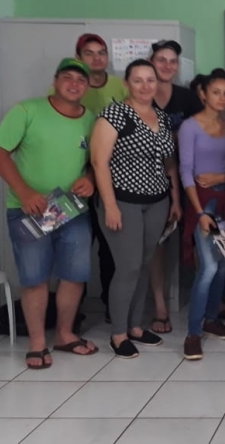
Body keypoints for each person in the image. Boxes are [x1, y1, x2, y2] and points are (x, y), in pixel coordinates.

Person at [0, 58, 99, 369]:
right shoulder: (27, 111)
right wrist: (25, 192)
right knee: (34, 277)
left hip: (72, 210)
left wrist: (90, 179)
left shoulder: (90, 120)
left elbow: (95, 162)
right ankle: (38, 343)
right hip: (30, 209)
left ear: (87, 86)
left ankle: (65, 334)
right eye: (67, 77)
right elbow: (0, 151)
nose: (74, 84)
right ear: (55, 81)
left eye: (80, 80)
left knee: (74, 275)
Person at [91, 59, 181, 359]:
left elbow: (169, 162)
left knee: (144, 263)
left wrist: (175, 200)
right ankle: (118, 334)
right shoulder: (114, 115)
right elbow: (99, 162)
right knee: (128, 266)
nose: (145, 86)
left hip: (157, 201)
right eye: (138, 80)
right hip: (122, 201)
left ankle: (135, 327)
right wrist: (110, 205)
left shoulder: (162, 117)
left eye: (150, 80)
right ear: (127, 84)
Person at [179, 69, 225, 360]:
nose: (221, 98)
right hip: (202, 203)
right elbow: (185, 171)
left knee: (222, 263)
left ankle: (211, 318)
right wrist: (198, 213)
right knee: (207, 267)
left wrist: (222, 178)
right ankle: (193, 334)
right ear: (203, 94)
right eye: (216, 92)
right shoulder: (189, 127)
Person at [148, 39, 202, 334]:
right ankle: (160, 305)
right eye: (161, 60)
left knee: (197, 239)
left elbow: (199, 135)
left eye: (172, 61)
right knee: (157, 244)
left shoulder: (187, 98)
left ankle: (205, 302)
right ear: (151, 62)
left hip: (189, 178)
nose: (167, 65)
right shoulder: (142, 95)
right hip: (150, 180)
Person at [74, 33, 128, 319]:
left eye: (101, 52)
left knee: (110, 248)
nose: (97, 58)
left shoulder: (120, 86)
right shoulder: (72, 87)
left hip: (111, 178)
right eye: (89, 53)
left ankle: (111, 306)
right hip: (75, 179)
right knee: (76, 246)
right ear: (78, 57)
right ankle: (73, 310)